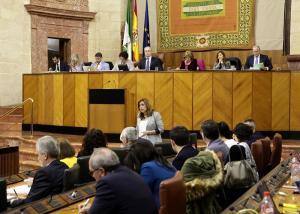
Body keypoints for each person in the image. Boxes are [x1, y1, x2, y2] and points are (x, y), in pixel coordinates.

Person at [78, 148, 157, 214]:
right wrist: (92, 208)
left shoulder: (106, 182)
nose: (92, 176)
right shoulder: (129, 172)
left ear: (101, 171)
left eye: (91, 173)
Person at [10, 136, 68, 207]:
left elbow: (30, 202)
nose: (38, 158)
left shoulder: (44, 173)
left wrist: (13, 202)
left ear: (45, 156)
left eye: (38, 154)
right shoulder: (64, 165)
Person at [124, 140, 176, 209]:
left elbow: (139, 194)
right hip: (172, 206)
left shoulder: (148, 167)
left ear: (138, 157)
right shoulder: (164, 162)